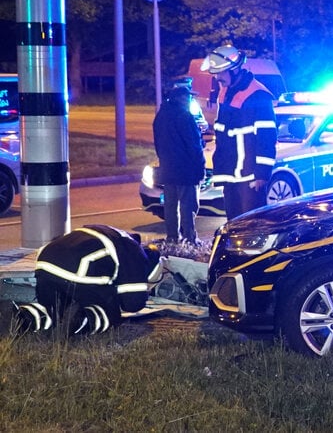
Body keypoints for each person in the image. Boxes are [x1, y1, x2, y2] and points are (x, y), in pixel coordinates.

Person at [13, 225, 163, 334]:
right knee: (111, 315)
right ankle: (81, 319)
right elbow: (133, 303)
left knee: (54, 310)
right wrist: (143, 294)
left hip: (45, 266)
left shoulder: (115, 234)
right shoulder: (135, 253)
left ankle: (21, 318)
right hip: (78, 271)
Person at [201, 45, 277, 220]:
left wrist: (262, 174)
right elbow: (224, 134)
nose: (218, 78)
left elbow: (266, 138)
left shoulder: (258, 95)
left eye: (221, 73)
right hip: (231, 175)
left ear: (234, 70)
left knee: (252, 226)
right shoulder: (226, 92)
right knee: (233, 226)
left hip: (250, 177)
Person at [152, 85, 205, 244]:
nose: (190, 100)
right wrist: (200, 167)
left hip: (168, 168)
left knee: (170, 207)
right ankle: (190, 239)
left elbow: (158, 144)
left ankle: (172, 238)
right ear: (181, 98)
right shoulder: (185, 116)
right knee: (188, 206)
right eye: (188, 97)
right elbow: (194, 145)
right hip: (186, 170)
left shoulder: (161, 116)